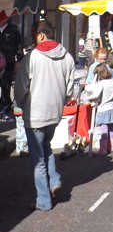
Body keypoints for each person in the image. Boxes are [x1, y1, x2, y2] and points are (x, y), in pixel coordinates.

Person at [14, 22, 74, 211]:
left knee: (37, 159)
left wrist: (19, 104)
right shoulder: (67, 57)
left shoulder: (32, 57)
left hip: (35, 114)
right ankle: (54, 180)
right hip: (54, 113)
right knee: (45, 148)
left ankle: (44, 200)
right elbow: (70, 89)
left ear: (40, 35)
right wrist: (60, 102)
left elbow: (21, 87)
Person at [86, 63, 113, 153]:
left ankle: (103, 149)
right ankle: (110, 147)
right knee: (110, 128)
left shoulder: (101, 83)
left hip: (102, 108)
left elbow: (96, 94)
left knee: (103, 129)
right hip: (111, 108)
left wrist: (89, 98)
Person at [0, 17, 23, 119]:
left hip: (8, 63)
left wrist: (18, 62)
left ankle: (4, 110)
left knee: (6, 87)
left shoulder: (13, 30)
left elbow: (19, 47)